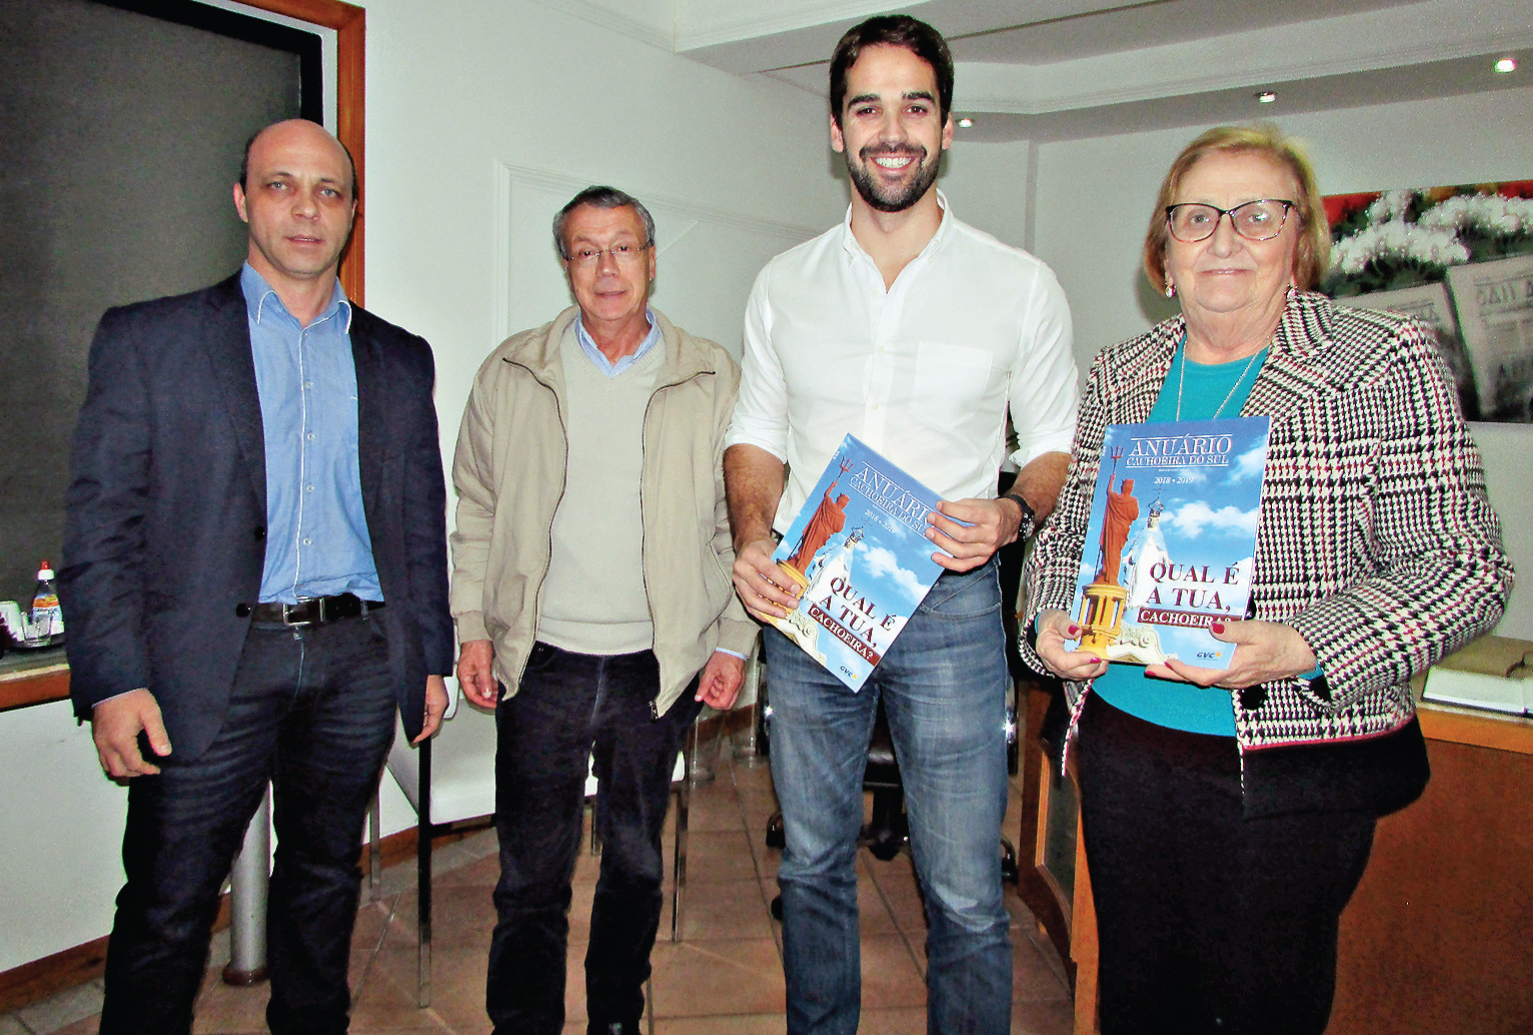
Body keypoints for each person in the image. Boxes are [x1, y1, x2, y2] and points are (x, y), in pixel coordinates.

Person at [1024, 123, 1513, 1032]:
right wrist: (1048, 621)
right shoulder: (1121, 373)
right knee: (1136, 1001)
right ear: (1163, 252)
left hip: (1288, 764)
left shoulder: (1379, 362)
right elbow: (1063, 550)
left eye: (1257, 214)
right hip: (1129, 748)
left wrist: (1301, 644)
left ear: (1300, 242)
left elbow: (1466, 568)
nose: (1224, 238)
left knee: (1259, 1008)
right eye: (1197, 217)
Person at [725, 15, 1079, 1033]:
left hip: (952, 606)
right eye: (867, 106)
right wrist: (754, 537)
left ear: (946, 126)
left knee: (966, 889)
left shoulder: (1019, 284)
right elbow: (753, 433)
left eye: (914, 106)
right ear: (835, 129)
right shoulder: (782, 284)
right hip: (810, 599)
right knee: (814, 867)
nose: (892, 129)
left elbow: (1055, 443)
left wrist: (1014, 511)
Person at [58, 119, 453, 1033]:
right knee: (168, 901)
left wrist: (424, 653)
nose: (305, 209)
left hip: (357, 655)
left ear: (352, 212)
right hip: (210, 665)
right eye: (281, 185)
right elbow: (100, 526)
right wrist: (113, 677)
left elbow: (415, 525)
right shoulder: (150, 341)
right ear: (243, 200)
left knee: (322, 881)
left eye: (328, 190)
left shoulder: (399, 359)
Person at [450, 186, 757, 1035]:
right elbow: (473, 507)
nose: (607, 268)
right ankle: (523, 1022)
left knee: (633, 863)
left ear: (652, 260)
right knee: (530, 876)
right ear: (567, 267)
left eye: (623, 247)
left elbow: (746, 524)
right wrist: (472, 627)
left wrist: (734, 640)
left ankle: (617, 1016)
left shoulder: (711, 376)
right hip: (537, 663)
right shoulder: (512, 372)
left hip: (655, 670)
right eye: (586, 251)